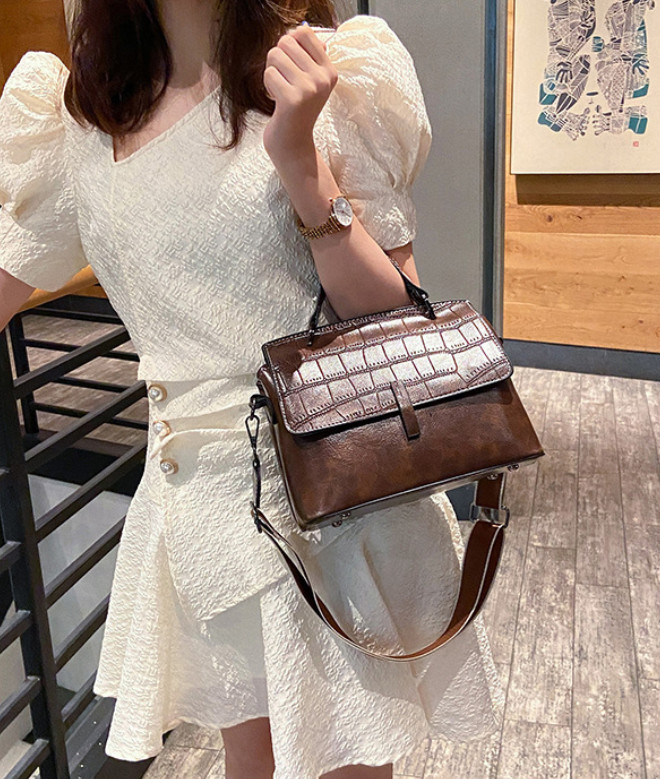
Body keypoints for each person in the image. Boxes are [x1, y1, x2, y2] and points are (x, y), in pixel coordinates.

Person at [0, 1, 505, 777]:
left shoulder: (329, 75)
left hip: (332, 501)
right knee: (252, 758)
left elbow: (395, 318)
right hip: (197, 508)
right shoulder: (82, 122)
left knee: (350, 759)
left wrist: (301, 165)